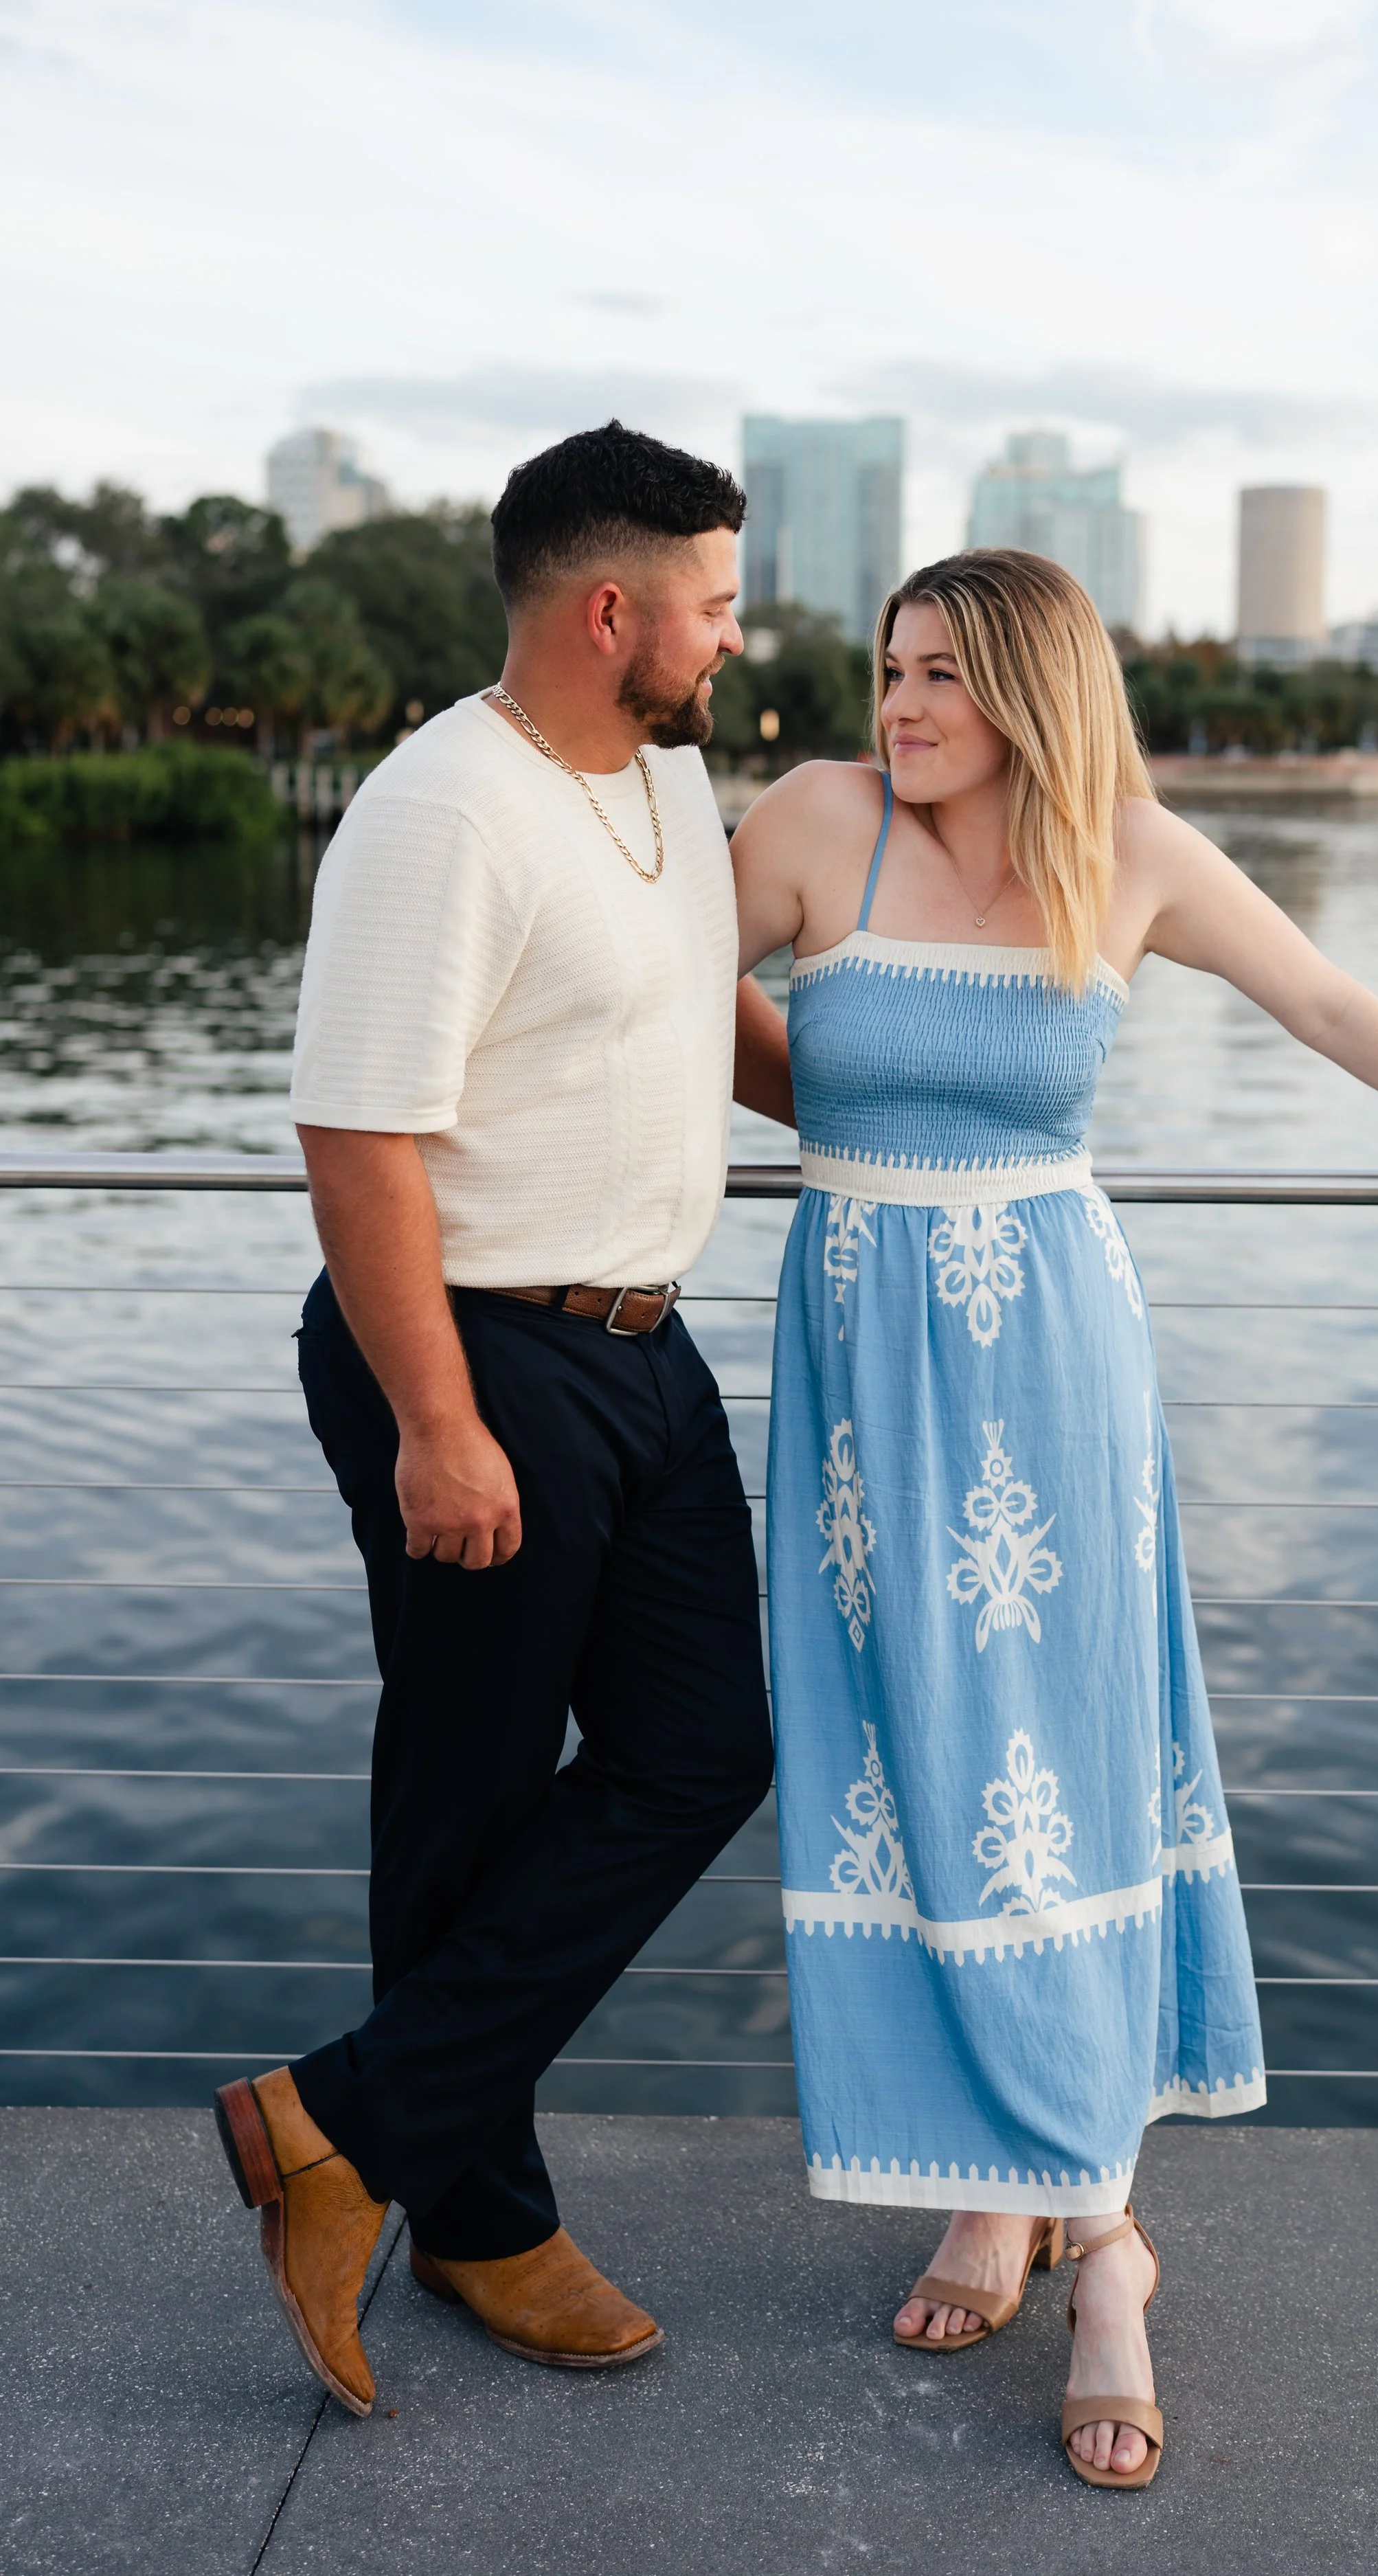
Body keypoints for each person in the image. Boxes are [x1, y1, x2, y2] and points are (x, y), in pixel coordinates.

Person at [732, 547, 1378, 2492]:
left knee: (1058, 1767)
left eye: (944, 676)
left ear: (1034, 688)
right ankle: (1003, 2185)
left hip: (1051, 1360)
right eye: (888, 668)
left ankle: (1095, 2228)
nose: (901, 706)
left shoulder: (1121, 851)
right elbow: (651, 992)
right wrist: (839, 1113)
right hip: (865, 1358)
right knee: (905, 1760)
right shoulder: (807, 824)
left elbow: (1321, 993)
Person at [211, 420, 793, 2418]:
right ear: (610, 605)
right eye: (714, 601)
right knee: (464, 1796)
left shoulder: (659, 770)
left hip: (645, 1347)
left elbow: (705, 1004)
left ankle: (340, 2124)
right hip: (474, 1352)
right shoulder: (440, 808)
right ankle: (473, 2219)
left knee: (708, 1737)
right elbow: (356, 1130)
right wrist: (434, 1421)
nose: (736, 633)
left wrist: (928, 1116)